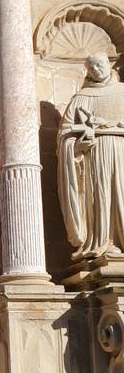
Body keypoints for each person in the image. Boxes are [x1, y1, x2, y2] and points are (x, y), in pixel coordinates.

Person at [57, 52, 124, 261]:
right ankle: (105, 242)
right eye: (91, 67)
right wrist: (77, 145)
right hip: (95, 155)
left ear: (109, 64)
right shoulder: (80, 98)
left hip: (121, 150)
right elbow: (65, 135)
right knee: (100, 198)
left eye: (99, 64)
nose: (96, 69)